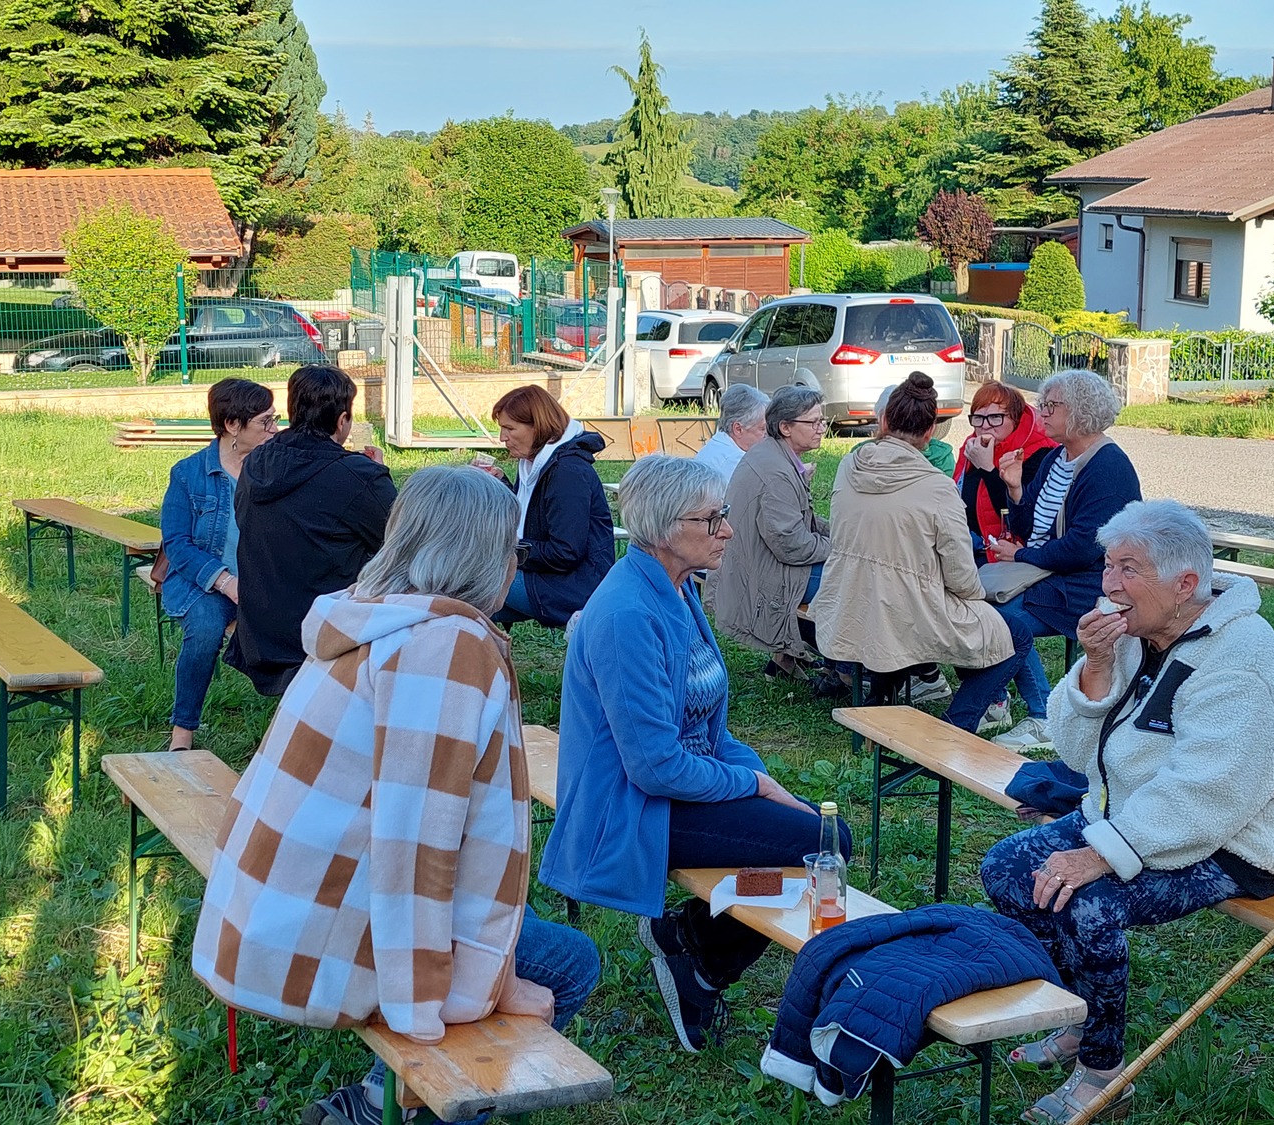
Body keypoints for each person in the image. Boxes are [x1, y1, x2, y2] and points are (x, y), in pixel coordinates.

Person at [193, 466, 599, 1125]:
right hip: (312, 931)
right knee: (568, 963)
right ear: (483, 555)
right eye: (515, 548)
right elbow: (416, 846)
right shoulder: (447, 644)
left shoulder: (375, 612)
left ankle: (375, 1101)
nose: (516, 564)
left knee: (530, 937)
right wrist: (465, 993)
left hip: (270, 904)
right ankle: (402, 1108)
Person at [980, 500, 1274, 1124]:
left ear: (1185, 584)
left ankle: (1104, 1075)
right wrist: (1097, 667)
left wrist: (1101, 853)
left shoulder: (1241, 653)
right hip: (1142, 816)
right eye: (1109, 565)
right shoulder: (1136, 634)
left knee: (1088, 903)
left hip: (1241, 839)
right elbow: (1078, 752)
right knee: (1006, 867)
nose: (1109, 584)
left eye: (1128, 569)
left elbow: (1210, 790)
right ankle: (1083, 1015)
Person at [539, 455, 851, 1052]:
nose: (727, 530)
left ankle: (689, 941)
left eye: (723, 515)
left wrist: (756, 776)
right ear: (663, 529)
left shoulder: (675, 589)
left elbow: (710, 728)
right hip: (632, 809)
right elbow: (653, 766)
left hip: (677, 789)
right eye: (711, 519)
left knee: (821, 834)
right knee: (820, 846)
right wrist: (754, 788)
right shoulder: (629, 613)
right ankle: (698, 954)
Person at [810, 372, 1015, 708]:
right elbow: (961, 577)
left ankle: (889, 694)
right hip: (904, 610)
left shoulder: (849, 466)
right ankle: (961, 719)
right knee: (1008, 632)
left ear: (884, 421)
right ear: (930, 431)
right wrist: (976, 596)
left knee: (897, 607)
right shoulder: (937, 487)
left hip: (847, 598)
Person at [980, 370, 1141, 751]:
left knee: (1006, 620)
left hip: (1088, 581)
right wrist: (1015, 488)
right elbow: (1029, 527)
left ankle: (1045, 717)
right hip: (1046, 573)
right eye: (1042, 405)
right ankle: (998, 700)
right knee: (979, 608)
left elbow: (1084, 547)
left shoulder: (1108, 467)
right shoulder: (1056, 458)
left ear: (1082, 411)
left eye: (1051, 406)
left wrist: (1021, 555)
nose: (1042, 413)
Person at [224, 365, 396, 696]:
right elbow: (401, 542)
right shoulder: (358, 476)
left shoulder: (257, 462)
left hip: (262, 627)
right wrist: (373, 477)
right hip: (324, 627)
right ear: (342, 420)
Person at [158, 379, 277, 750]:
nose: (274, 429)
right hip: (204, 584)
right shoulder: (188, 473)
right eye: (266, 422)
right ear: (232, 425)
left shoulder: (275, 468)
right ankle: (183, 732)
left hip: (262, 582)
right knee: (207, 628)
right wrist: (226, 582)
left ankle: (290, 734)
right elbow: (177, 545)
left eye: (275, 419)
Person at [955, 380, 1059, 730]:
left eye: (995, 418)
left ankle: (1042, 710)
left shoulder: (1039, 453)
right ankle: (995, 698)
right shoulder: (972, 449)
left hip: (1024, 559)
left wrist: (989, 470)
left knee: (1001, 618)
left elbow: (1022, 520)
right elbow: (962, 504)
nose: (985, 426)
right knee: (950, 599)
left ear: (1016, 418)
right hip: (982, 551)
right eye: (978, 417)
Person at [714, 385, 831, 682]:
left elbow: (800, 523)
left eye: (822, 421)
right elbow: (792, 545)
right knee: (852, 577)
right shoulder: (776, 471)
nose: (821, 429)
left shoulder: (773, 455)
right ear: (785, 428)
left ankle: (785, 663)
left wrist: (841, 532)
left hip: (755, 567)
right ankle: (845, 671)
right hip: (760, 580)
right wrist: (839, 547)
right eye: (813, 422)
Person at [479, 385, 614, 629]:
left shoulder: (568, 472)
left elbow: (565, 552)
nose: (502, 438)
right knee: (465, 597)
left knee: (465, 582)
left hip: (574, 588)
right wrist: (500, 486)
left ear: (538, 426)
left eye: (510, 428)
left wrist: (508, 549)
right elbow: (532, 518)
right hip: (549, 579)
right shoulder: (534, 462)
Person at [694, 383, 769, 483]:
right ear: (738, 429)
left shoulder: (718, 444)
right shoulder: (737, 462)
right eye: (762, 429)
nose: (767, 435)